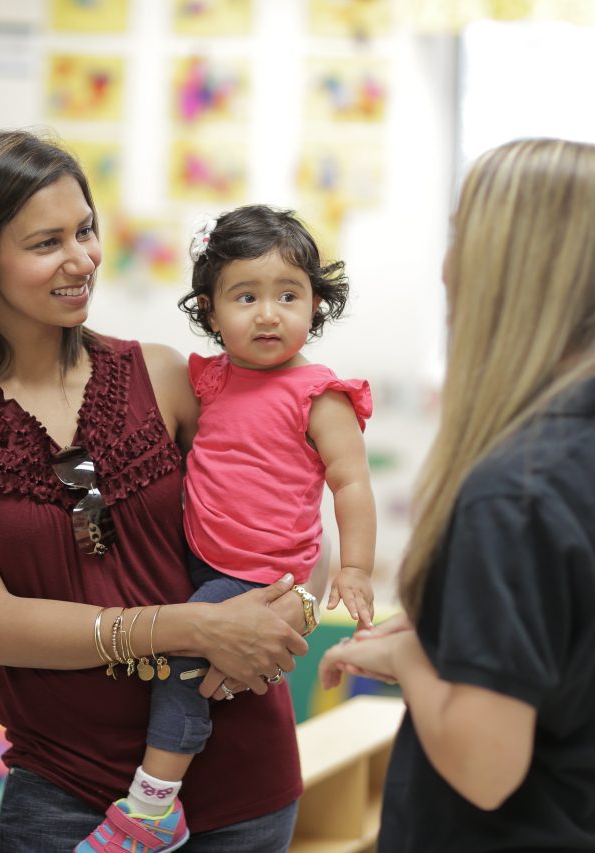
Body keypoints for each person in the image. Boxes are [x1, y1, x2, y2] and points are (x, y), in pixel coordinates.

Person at [0, 129, 314, 853]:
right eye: (46, 241)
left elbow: (296, 506)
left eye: (85, 229)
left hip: (240, 777)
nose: (82, 258)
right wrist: (194, 627)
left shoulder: (167, 375)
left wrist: (293, 607)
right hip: (66, 793)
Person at [317, 138, 595, 852]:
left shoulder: (512, 490)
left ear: (506, 266)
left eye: (461, 237)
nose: (444, 267)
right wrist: (447, 640)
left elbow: (487, 768)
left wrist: (409, 663)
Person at [78, 205, 376, 851]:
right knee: (155, 634)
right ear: (212, 311)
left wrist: (353, 567)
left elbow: (351, 483)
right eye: (246, 296)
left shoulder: (320, 394)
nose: (268, 313)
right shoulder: (210, 380)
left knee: (183, 661)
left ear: (315, 305)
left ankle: (153, 808)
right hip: (196, 555)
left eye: (288, 295)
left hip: (255, 578)